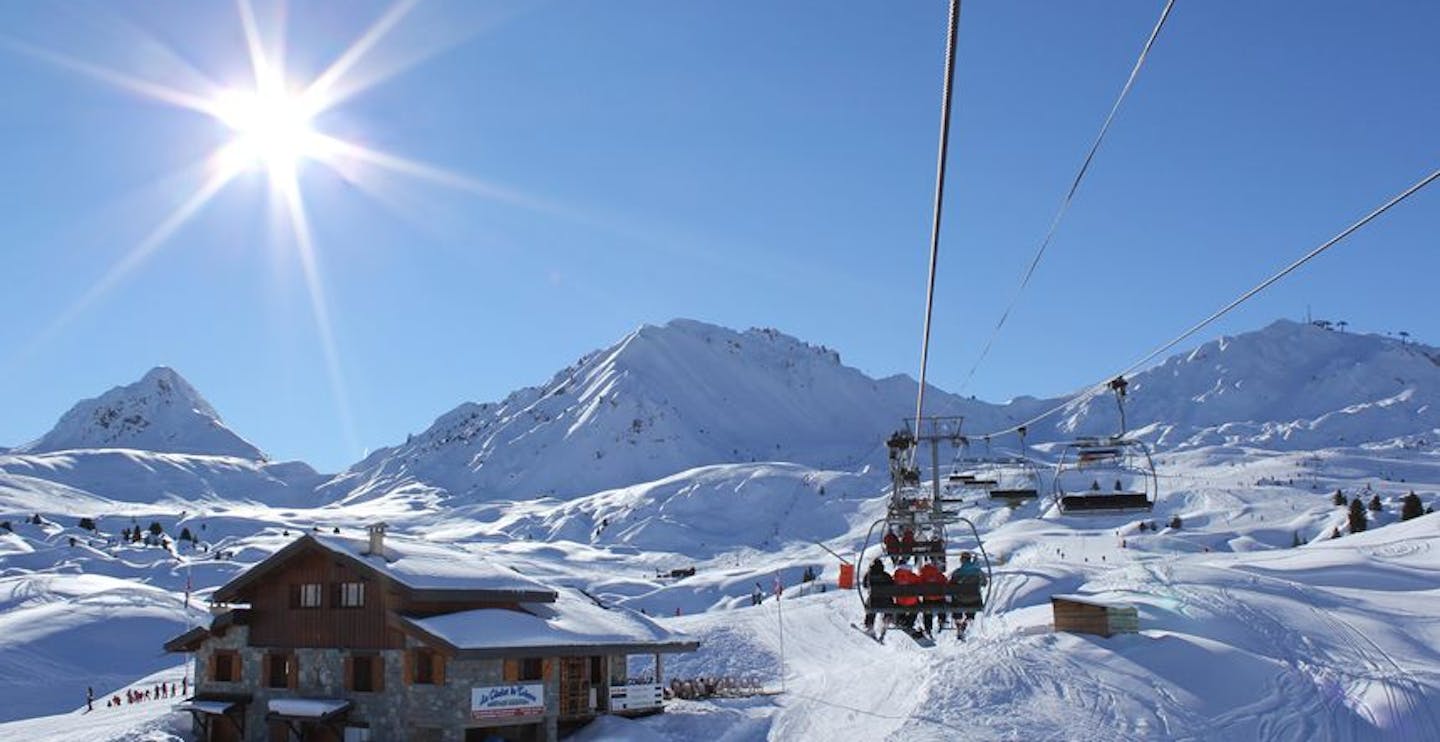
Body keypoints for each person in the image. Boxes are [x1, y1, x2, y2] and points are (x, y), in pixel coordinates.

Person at [948, 552, 988, 639]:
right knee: (973, 598)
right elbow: (985, 583)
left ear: (962, 560)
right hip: (974, 600)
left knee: (955, 599)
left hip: (960, 600)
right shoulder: (978, 572)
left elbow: (951, 586)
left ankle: (958, 622)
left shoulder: (957, 572)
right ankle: (967, 620)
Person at [861, 558, 892, 632]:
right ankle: (887, 618)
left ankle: (869, 625)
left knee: (869, 604)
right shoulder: (886, 576)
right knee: (889, 600)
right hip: (886, 602)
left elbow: (864, 585)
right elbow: (892, 585)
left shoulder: (868, 576)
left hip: (873, 602)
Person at [918, 559, 947, 635]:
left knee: (927, 608)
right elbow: (945, 582)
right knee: (942, 601)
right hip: (939, 599)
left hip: (928, 599)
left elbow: (919, 584)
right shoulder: (938, 574)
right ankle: (942, 619)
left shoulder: (923, 574)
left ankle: (928, 627)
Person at [892, 560, 919, 630]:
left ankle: (901, 620)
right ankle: (910, 622)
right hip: (912, 602)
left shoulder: (896, 576)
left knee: (900, 602)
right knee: (917, 605)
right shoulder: (913, 576)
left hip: (900, 602)